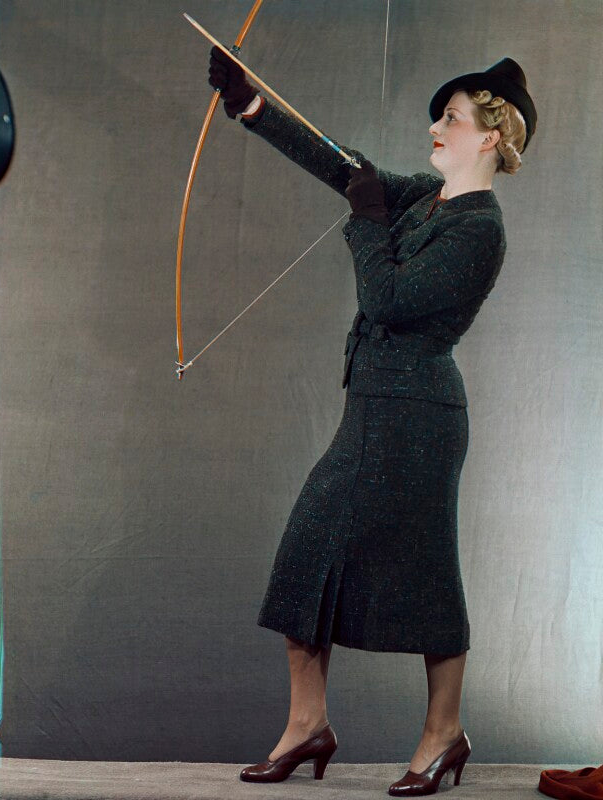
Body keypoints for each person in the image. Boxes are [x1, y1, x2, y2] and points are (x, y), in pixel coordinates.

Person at [208, 47, 536, 795]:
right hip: (370, 410)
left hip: (421, 420)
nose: (435, 126)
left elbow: (389, 299)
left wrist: (363, 223)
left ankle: (444, 734)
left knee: (428, 576)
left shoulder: (481, 229)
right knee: (306, 556)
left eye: (450, 118)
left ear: (489, 136)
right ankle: (307, 725)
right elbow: (346, 170)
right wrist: (253, 107)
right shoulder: (426, 197)